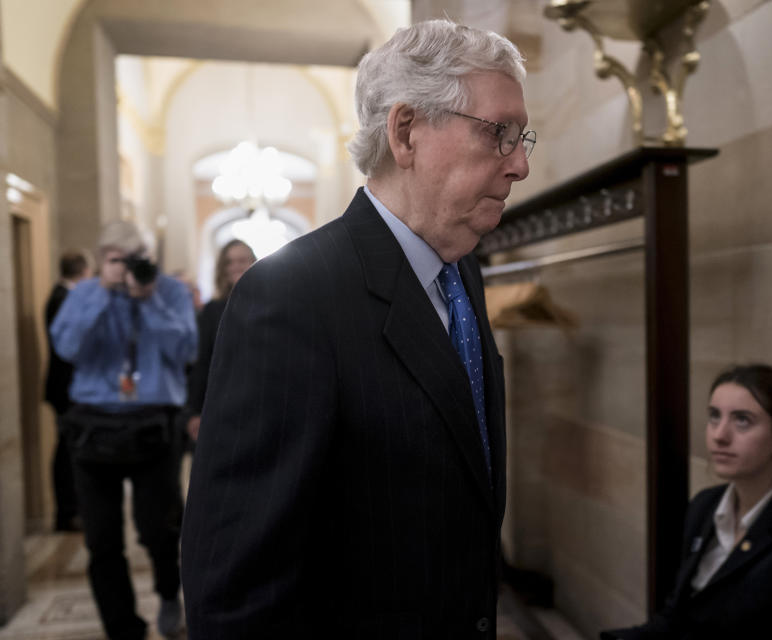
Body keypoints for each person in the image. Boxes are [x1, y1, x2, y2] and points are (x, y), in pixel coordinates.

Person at [181, 18, 533, 639]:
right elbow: (235, 582)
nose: (521, 165)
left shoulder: (462, 270)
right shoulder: (289, 296)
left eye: (522, 136)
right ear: (406, 132)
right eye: (498, 134)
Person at [602, 364, 772, 640]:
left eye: (742, 420)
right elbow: (677, 619)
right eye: (714, 417)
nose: (719, 435)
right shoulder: (705, 506)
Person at [51, 220, 197, 640]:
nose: (129, 267)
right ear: (101, 261)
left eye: (139, 259)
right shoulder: (83, 294)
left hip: (154, 424)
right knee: (102, 538)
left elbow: (186, 349)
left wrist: (147, 300)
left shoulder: (168, 291)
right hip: (94, 426)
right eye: (117, 260)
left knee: (159, 527)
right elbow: (67, 348)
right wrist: (102, 293)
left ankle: (170, 593)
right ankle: (122, 627)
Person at [184, 239, 256, 443]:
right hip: (223, 400)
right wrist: (195, 410)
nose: (236, 267)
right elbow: (204, 361)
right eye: (229, 262)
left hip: (260, 398)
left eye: (242, 260)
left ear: (254, 262)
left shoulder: (273, 304)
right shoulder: (212, 310)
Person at [44, 248, 93, 532]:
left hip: (64, 387)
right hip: (65, 389)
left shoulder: (61, 295)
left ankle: (72, 509)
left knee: (69, 449)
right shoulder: (64, 297)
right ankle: (67, 512)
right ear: (83, 270)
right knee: (66, 451)